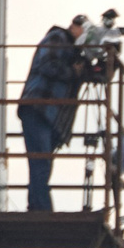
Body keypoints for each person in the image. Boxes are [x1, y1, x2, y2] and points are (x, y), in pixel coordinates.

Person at [18, 14, 87, 211]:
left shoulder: (72, 50)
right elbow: (48, 65)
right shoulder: (59, 37)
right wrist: (73, 72)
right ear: (74, 27)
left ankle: (38, 205)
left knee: (42, 161)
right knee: (41, 161)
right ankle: (40, 207)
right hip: (39, 107)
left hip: (45, 111)